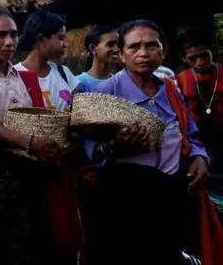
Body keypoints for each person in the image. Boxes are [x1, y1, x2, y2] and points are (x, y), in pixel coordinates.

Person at [84, 20, 223, 265]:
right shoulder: (104, 92)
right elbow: (85, 149)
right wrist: (115, 144)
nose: (143, 53)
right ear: (120, 54)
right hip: (125, 206)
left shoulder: (170, 89)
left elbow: (190, 134)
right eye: (134, 47)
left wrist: (200, 157)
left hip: (173, 198)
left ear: (164, 50)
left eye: (151, 45)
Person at [0, 8, 81, 265]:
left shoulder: (22, 77)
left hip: (28, 169)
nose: (9, 41)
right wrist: (30, 142)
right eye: (0, 35)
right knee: (0, 242)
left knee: (34, 239)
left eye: (13, 35)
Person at [177, 29, 223, 173]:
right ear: (184, 58)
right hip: (199, 143)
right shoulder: (180, 80)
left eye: (204, 55)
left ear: (213, 50)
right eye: (193, 58)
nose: (200, 62)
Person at [15, 10, 80, 111]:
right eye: (60, 38)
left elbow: (76, 113)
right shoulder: (14, 76)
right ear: (41, 40)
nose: (65, 44)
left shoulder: (64, 74)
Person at [76, 25, 119, 92]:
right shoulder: (78, 83)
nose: (116, 49)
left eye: (119, 45)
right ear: (93, 48)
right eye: (110, 44)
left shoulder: (120, 83)